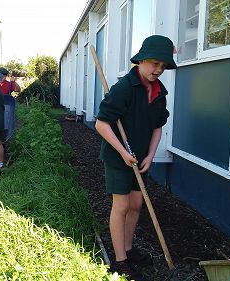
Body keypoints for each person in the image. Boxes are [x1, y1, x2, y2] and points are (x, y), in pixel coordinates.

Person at [95, 35, 177, 279]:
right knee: (121, 206)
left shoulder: (159, 93)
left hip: (140, 158)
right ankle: (119, 261)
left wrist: (150, 156)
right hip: (118, 158)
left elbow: (157, 127)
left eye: (163, 66)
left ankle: (128, 250)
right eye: (154, 63)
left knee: (136, 204)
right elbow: (101, 123)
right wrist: (122, 152)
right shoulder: (125, 88)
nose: (158, 70)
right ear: (141, 60)